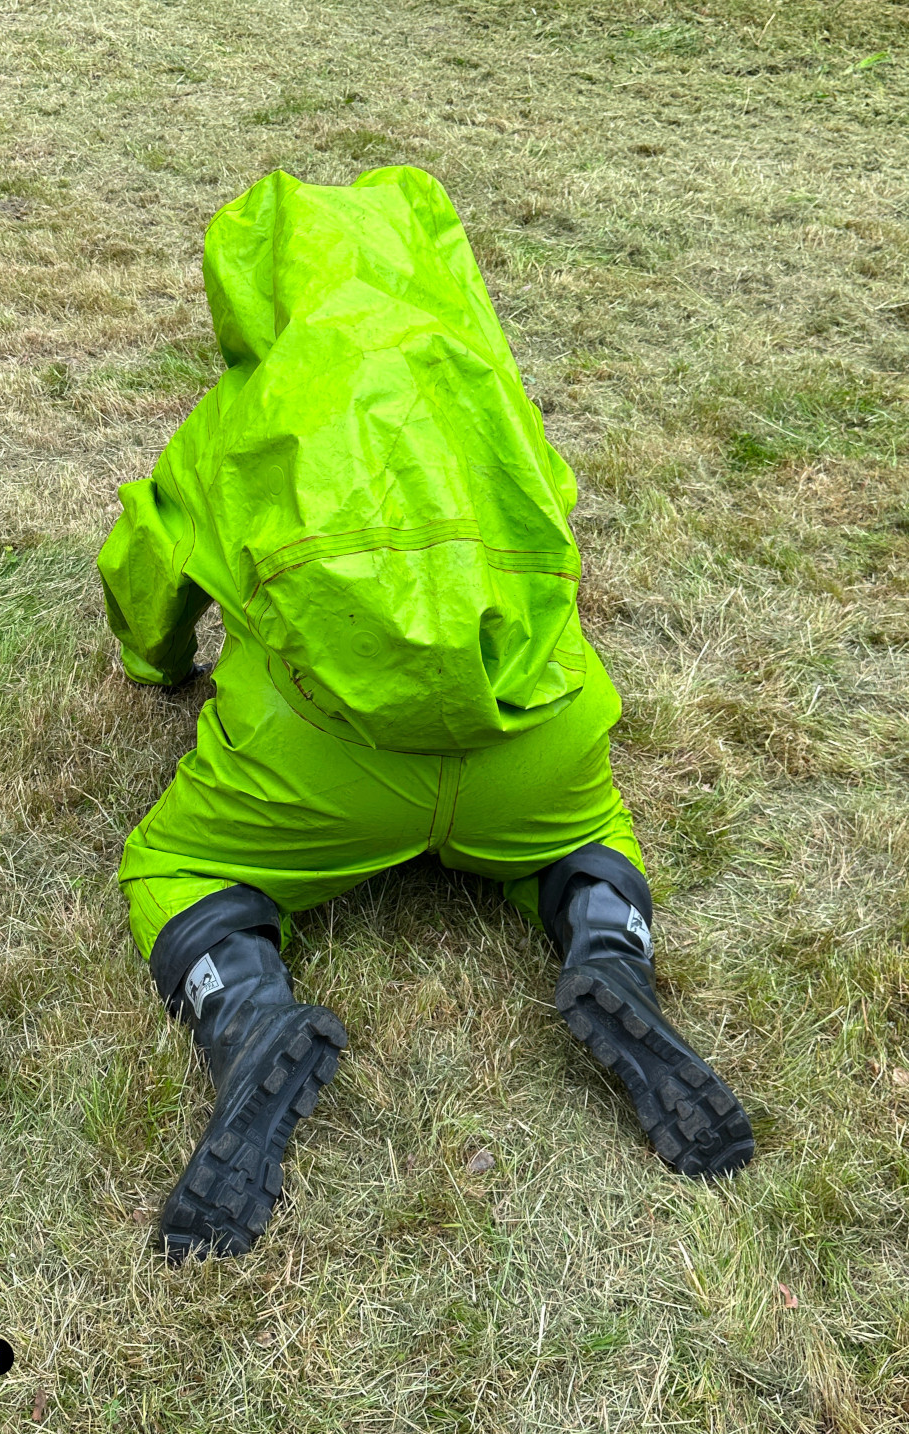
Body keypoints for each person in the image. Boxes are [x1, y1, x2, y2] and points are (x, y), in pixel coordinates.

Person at [97, 166, 753, 1265]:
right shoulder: (496, 398)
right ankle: (606, 943)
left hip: (321, 770)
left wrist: (152, 662)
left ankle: (246, 1012)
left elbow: (146, 575)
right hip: (529, 743)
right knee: (594, 835)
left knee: (174, 872)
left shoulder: (237, 423)